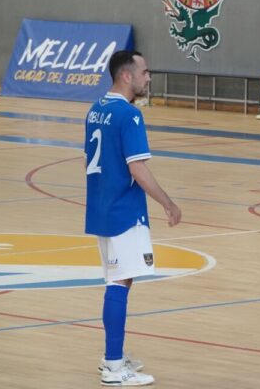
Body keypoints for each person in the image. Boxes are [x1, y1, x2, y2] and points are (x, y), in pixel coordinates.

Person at [84, 50, 182, 386]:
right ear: (126, 76)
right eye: (145, 72)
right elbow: (137, 168)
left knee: (118, 280)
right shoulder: (129, 114)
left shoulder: (96, 109)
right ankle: (113, 365)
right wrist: (168, 203)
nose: (148, 78)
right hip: (123, 210)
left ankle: (113, 357)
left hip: (100, 207)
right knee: (119, 283)